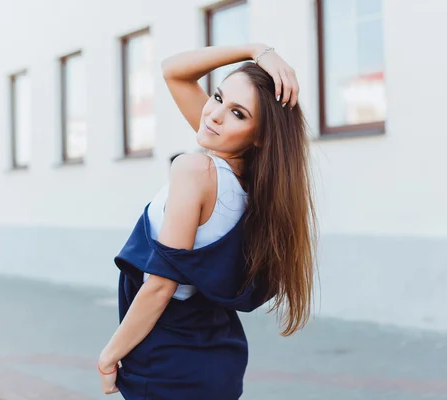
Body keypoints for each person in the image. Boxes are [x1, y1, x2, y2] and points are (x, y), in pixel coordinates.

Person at [98, 43, 318, 399]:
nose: (213, 115)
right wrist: (257, 50)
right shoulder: (250, 182)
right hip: (215, 355)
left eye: (238, 113)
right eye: (217, 97)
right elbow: (174, 71)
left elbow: (160, 285)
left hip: (167, 358)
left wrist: (110, 355)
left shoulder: (195, 168)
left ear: (259, 136)